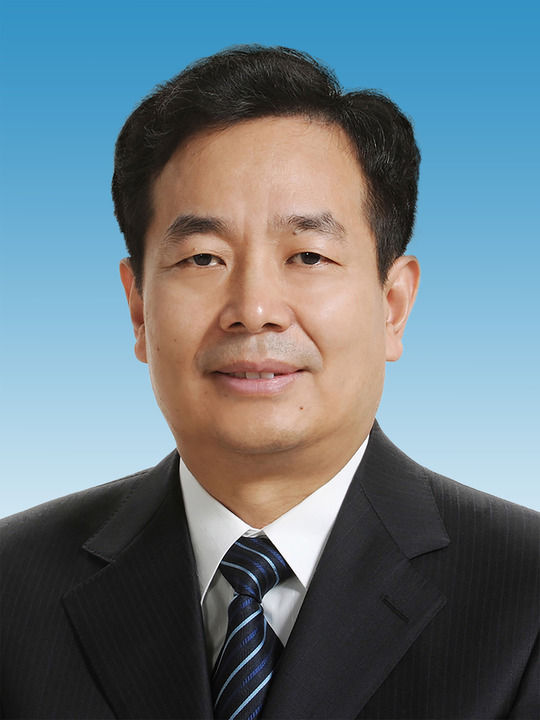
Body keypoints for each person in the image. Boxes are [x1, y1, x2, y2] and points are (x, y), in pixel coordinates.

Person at [1, 45, 538, 720]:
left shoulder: (525, 598)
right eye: (203, 258)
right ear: (138, 309)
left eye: (307, 255)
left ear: (393, 305)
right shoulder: (13, 587)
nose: (254, 308)